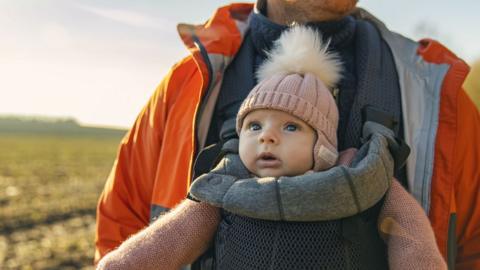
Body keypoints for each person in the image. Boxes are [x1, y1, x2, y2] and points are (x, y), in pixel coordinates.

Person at [94, 1, 480, 269]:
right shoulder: (185, 86)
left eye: (292, 127)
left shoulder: (438, 95)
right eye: (255, 127)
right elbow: (122, 226)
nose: (268, 139)